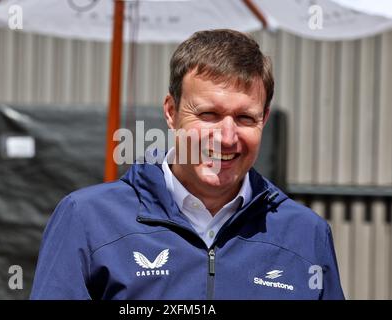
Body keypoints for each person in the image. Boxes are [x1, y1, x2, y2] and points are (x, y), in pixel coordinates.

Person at [30, 29, 344, 300]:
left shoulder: (305, 234)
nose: (226, 137)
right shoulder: (87, 219)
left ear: (265, 119)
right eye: (209, 114)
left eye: (245, 118)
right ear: (171, 112)